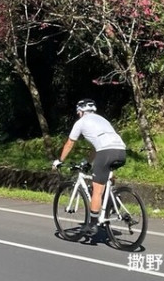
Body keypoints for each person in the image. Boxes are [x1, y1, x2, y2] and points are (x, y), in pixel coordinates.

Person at [52, 99, 126, 236]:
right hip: (121, 151)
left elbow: (69, 143)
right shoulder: (102, 120)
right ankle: (113, 200)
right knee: (106, 177)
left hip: (106, 152)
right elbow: (96, 147)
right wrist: (87, 162)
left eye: (78, 112)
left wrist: (60, 160)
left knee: (96, 190)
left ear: (80, 111)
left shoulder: (81, 122)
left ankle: (92, 225)